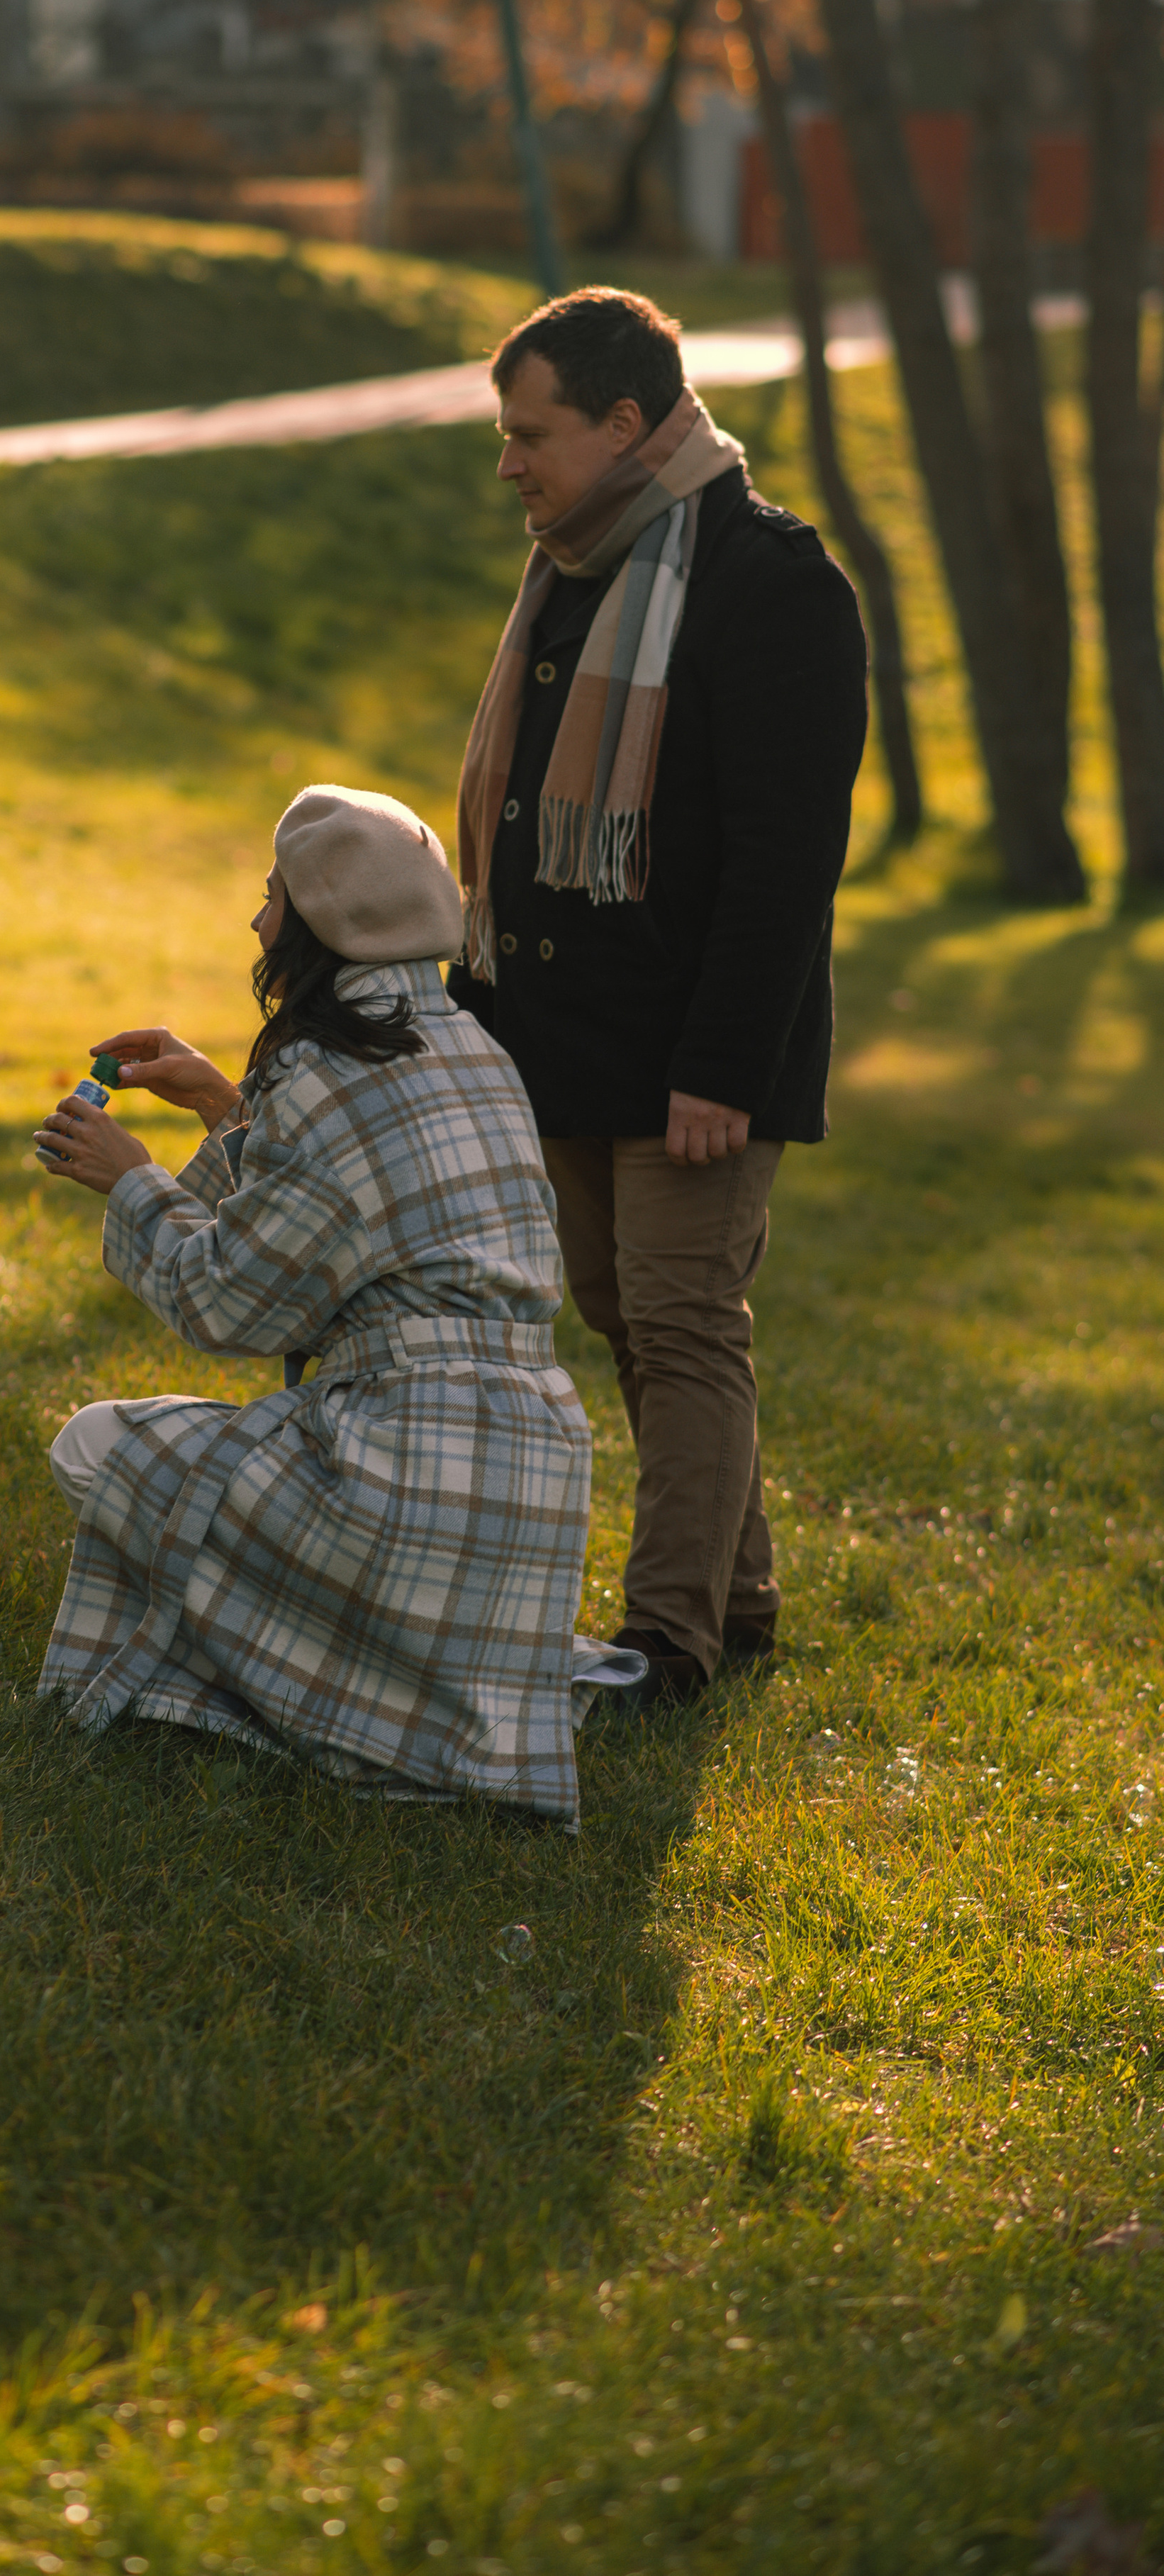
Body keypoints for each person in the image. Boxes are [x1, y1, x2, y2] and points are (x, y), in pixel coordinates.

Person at [448, 286, 868, 1711]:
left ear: (623, 426)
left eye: (530, 434)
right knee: (626, 1315)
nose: (507, 463)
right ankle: (734, 1599)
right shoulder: (574, 562)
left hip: (692, 1051)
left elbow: (783, 865)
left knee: (683, 1323)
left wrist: (721, 1069)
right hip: (564, 1041)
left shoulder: (769, 583)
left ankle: (666, 1644)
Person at [30, 784, 603, 1825]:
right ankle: (434, 1684)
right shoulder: (482, 1054)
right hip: (531, 1489)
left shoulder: (327, 1071)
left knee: (94, 1445)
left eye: (271, 897)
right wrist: (221, 1101)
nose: (256, 924)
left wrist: (129, 1179)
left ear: (323, 917)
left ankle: (339, 1702)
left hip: (398, 1479)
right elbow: (347, 1203)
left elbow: (230, 1305)